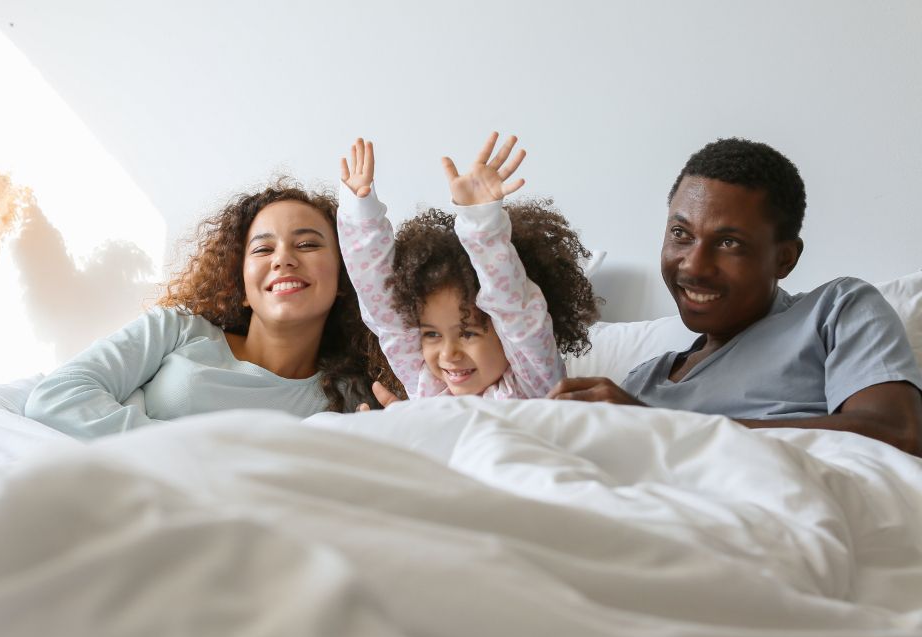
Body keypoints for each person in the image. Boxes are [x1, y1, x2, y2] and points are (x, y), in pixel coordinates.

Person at [549, 137, 922, 455]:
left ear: (785, 258)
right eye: (681, 234)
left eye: (729, 243)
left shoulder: (835, 310)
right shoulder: (643, 382)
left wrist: (658, 424)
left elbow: (897, 433)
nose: (694, 266)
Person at [25, 177, 388, 439]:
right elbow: (57, 396)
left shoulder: (347, 397)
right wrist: (193, 453)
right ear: (241, 286)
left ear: (343, 278)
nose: (284, 259)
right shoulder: (177, 329)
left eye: (307, 244)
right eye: (263, 249)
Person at [337, 134, 597, 401]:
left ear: (505, 334)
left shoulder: (535, 386)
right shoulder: (426, 385)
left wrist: (481, 223)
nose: (449, 354)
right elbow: (384, 309)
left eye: (468, 332)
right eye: (431, 334)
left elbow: (515, 308)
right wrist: (359, 214)